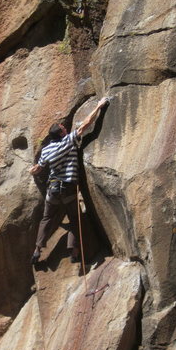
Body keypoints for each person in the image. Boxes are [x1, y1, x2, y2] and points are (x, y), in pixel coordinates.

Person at [29, 97, 109, 265]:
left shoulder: (46, 150)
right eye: (63, 128)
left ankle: (37, 249)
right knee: (75, 218)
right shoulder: (67, 141)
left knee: (46, 219)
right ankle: (74, 251)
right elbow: (86, 124)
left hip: (53, 190)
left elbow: (39, 168)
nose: (65, 128)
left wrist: (32, 169)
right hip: (68, 189)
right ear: (61, 134)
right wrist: (99, 107)